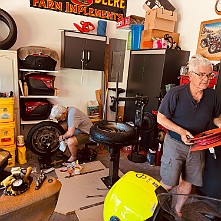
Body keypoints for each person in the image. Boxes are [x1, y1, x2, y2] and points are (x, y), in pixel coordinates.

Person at [157, 55, 221, 217]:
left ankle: (177, 209)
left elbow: (216, 118)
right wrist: (181, 131)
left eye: (209, 75)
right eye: (202, 74)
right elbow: (160, 117)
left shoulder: (212, 96)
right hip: (175, 143)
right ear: (190, 75)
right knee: (169, 184)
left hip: (198, 146)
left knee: (188, 182)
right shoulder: (175, 94)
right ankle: (154, 210)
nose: (206, 79)